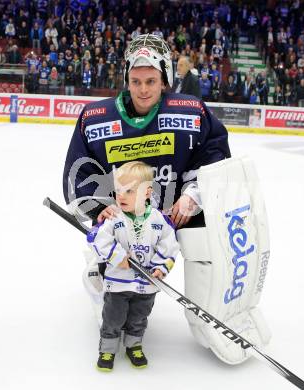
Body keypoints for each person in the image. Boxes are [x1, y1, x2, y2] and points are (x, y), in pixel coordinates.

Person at [63, 33, 231, 363]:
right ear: (126, 78)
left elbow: (215, 153)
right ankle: (100, 271)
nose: (143, 89)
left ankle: (211, 316)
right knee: (112, 253)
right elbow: (78, 172)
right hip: (123, 215)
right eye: (136, 81)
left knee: (205, 242)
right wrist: (100, 208)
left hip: (172, 211)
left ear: (165, 79)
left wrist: (193, 195)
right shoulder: (95, 117)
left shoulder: (190, 110)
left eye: (151, 81)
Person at [87, 161, 179, 371]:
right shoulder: (114, 217)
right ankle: (108, 349)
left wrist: (160, 267)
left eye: (129, 191)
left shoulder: (159, 220)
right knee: (113, 318)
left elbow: (170, 246)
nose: (121, 196)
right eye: (118, 190)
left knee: (139, 318)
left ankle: (133, 345)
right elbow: (99, 240)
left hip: (147, 284)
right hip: (118, 283)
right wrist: (117, 256)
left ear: (147, 192)